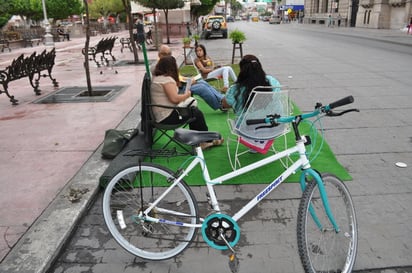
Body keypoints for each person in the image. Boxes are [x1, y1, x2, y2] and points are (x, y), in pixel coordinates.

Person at [151, 55, 224, 150]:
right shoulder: (166, 80)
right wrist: (187, 94)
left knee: (193, 111)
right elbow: (174, 99)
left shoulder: (158, 78)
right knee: (196, 113)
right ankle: (205, 141)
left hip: (163, 114)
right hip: (167, 117)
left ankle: (201, 140)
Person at [156, 45, 226, 111]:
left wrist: (188, 79)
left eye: (170, 53)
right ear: (160, 55)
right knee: (201, 88)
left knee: (202, 82)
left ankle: (222, 99)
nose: (169, 55)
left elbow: (177, 77)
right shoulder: (161, 66)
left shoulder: (167, 63)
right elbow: (173, 82)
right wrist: (188, 82)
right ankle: (221, 104)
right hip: (179, 89)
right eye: (166, 54)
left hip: (181, 85)